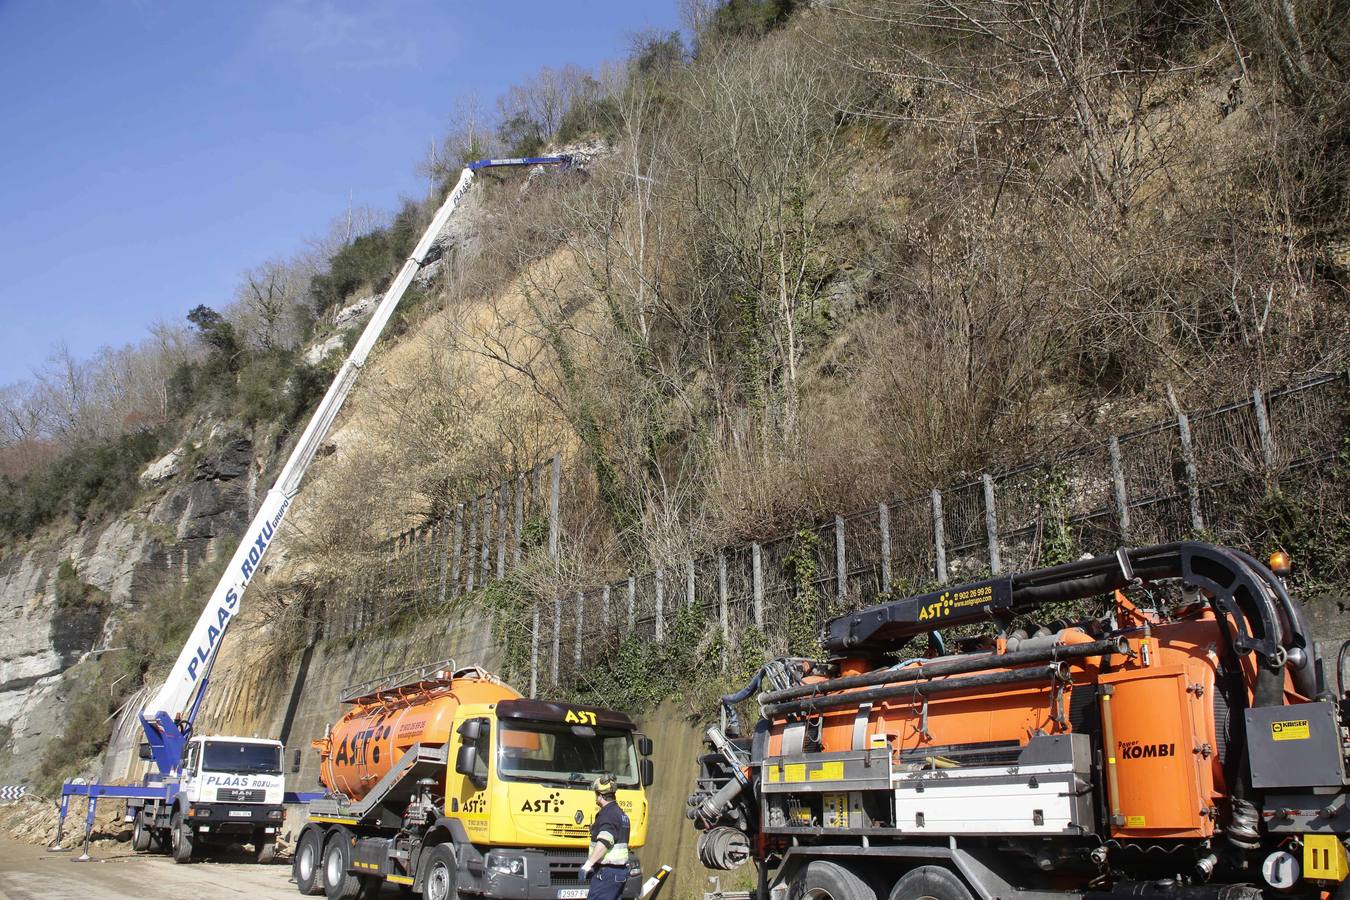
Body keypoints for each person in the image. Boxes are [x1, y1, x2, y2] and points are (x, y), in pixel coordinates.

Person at [579, 774, 630, 900]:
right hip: (619, 873)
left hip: (607, 873)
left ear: (601, 796)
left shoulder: (608, 814)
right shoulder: (621, 814)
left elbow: (605, 842)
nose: (595, 798)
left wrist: (588, 864)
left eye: (596, 794)